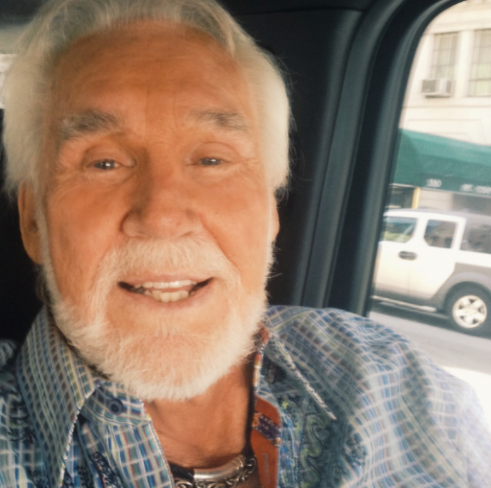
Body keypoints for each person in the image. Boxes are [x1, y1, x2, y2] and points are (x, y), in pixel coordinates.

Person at [0, 0, 490, 486]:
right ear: (33, 221)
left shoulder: (394, 379)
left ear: (270, 209)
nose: (163, 217)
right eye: (103, 163)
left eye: (212, 160)